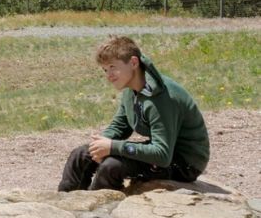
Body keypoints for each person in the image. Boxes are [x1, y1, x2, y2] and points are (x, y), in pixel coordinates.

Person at [58, 35, 210, 192]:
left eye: (112, 67)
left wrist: (113, 147)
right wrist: (100, 145)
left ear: (133, 63)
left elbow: (162, 155)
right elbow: (120, 126)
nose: (108, 75)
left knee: (111, 167)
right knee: (80, 155)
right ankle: (65, 208)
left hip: (184, 163)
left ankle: (98, 211)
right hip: (165, 152)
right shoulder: (131, 90)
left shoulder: (162, 98)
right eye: (105, 69)